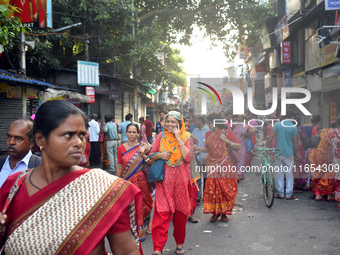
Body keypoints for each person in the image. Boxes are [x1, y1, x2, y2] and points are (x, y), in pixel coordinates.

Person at [0, 100, 142, 255]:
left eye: (82, 135)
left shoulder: (103, 188)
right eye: (68, 135)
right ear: (40, 139)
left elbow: (127, 251)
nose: (79, 143)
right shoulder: (14, 187)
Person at [143, 111, 191, 255]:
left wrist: (178, 138)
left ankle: (179, 244)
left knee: (180, 217)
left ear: (179, 124)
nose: (170, 124)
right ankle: (158, 249)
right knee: (161, 215)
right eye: (168, 121)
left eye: (173, 122)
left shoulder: (187, 137)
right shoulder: (160, 137)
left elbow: (187, 157)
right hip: (164, 184)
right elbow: (150, 158)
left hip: (181, 184)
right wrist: (159, 155)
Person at [194, 113, 240, 223]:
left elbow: (238, 146)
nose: (208, 125)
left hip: (225, 166)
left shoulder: (227, 132)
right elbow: (207, 149)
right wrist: (199, 148)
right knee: (213, 189)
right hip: (212, 166)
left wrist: (226, 140)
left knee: (225, 189)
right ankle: (215, 213)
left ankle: (224, 213)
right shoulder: (208, 134)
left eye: (209, 123)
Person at [117, 123, 153, 243]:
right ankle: (138, 229)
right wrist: (117, 182)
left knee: (145, 203)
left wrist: (143, 155)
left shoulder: (145, 146)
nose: (132, 134)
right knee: (132, 206)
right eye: (129, 132)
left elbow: (151, 163)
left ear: (138, 133)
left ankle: (147, 224)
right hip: (128, 182)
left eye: (134, 132)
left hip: (142, 180)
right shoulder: (121, 148)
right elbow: (119, 166)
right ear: (126, 133)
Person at [266, 110, 301, 200]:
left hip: (278, 153)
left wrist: (266, 147)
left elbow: (271, 137)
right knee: (289, 173)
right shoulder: (293, 127)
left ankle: (281, 193)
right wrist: (297, 153)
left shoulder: (278, 125)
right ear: (292, 117)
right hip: (289, 154)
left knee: (279, 173)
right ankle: (289, 194)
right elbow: (295, 142)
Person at [0, 119, 41, 188]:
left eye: (18, 138)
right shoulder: (1, 163)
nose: (11, 142)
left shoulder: (40, 167)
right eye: (9, 137)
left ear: (31, 143)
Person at [192, 114, 209, 200]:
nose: (194, 121)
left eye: (195, 120)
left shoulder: (208, 130)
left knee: (205, 177)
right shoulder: (194, 131)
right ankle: (198, 195)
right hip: (196, 157)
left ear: (200, 121)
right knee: (197, 177)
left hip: (205, 158)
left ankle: (205, 195)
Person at [329, 117, 340, 208]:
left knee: (338, 181)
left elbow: (330, 145)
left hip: (336, 160)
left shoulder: (332, 133)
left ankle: (338, 201)